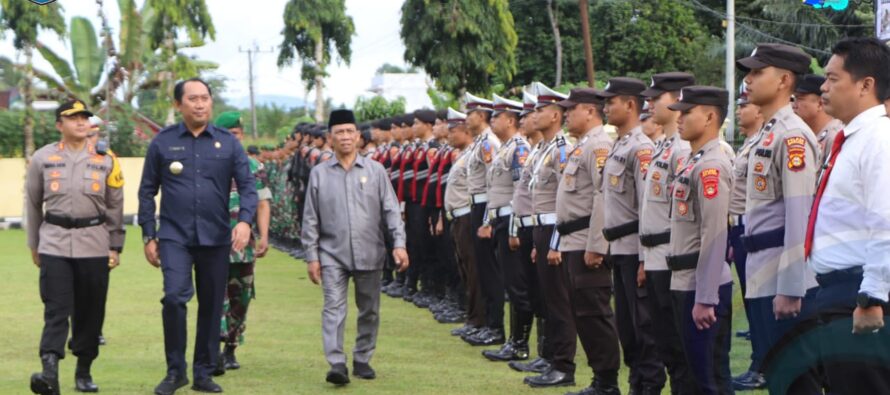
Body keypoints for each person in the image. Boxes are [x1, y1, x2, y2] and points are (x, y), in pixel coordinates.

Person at [138, 78, 258, 395]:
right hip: (174, 237)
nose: (201, 104)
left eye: (205, 98)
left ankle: (203, 372)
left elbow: (248, 187)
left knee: (210, 306)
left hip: (217, 237)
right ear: (179, 105)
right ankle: (175, 371)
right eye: (193, 99)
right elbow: (147, 191)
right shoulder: (162, 142)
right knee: (175, 297)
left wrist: (245, 222)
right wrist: (149, 235)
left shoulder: (228, 143)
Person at [805, 36, 890, 395]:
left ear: (866, 85)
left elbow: (885, 221)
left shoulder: (878, 139)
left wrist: (871, 297)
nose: (823, 87)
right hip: (837, 291)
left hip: (858, 292)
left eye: (833, 78)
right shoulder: (850, 137)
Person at [301, 109, 409, 385]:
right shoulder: (319, 174)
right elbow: (310, 218)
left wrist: (399, 244)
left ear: (358, 136)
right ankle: (337, 363)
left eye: (350, 131)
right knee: (333, 308)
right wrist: (312, 256)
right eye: (339, 132)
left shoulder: (375, 171)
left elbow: (391, 210)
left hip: (370, 252)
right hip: (331, 253)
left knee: (369, 309)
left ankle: (362, 357)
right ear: (330, 138)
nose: (345, 137)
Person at [736, 43, 821, 392]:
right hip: (761, 266)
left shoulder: (792, 136)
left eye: (758, 72)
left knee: (795, 379)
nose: (748, 80)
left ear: (784, 80)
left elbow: (799, 214)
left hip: (780, 274)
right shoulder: (767, 133)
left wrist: (791, 285)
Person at [26, 100, 125, 395]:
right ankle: (49, 372)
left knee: (90, 312)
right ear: (60, 125)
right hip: (54, 241)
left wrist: (115, 246)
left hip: (94, 243)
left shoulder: (105, 159)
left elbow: (115, 205)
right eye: (73, 118)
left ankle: (84, 371)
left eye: (84, 118)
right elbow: (32, 204)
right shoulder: (43, 158)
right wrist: (34, 244)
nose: (81, 122)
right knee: (55, 309)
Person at [667, 86, 735, 394]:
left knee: (707, 379)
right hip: (686, 279)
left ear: (709, 116)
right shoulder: (694, 160)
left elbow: (714, 232)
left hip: (700, 283)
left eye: (686, 112)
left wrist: (706, 296)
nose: (678, 119)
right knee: (698, 374)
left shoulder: (710, 166)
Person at [600, 77, 664, 395]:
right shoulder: (620, 144)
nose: (606, 107)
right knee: (627, 328)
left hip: (634, 250)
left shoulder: (640, 148)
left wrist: (643, 258)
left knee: (644, 329)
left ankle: (649, 386)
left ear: (630, 105)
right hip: (619, 249)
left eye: (612, 101)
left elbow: (647, 208)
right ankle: (637, 384)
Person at [555, 88, 621, 395]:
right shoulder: (582, 146)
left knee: (594, 313)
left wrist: (597, 244)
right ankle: (599, 379)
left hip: (586, 242)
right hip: (572, 240)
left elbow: (602, 196)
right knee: (582, 313)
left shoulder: (599, 145)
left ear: (590, 112)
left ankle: (607, 382)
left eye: (572, 109)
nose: (566, 114)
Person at [637, 72, 697, 395]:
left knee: (677, 344)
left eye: (655, 97)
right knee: (665, 343)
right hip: (655, 255)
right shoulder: (662, 146)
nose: (648, 103)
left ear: (675, 99)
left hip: (672, 256)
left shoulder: (682, 150)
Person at [210, 112, 272, 375]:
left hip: (244, 246)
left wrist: (265, 236)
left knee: (241, 298)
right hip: (213, 243)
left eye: (235, 134)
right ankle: (214, 347)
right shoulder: (209, 164)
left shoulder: (254, 167)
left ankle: (231, 348)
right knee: (216, 297)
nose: (231, 139)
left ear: (241, 135)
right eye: (227, 135)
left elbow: (262, 203)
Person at [523, 82, 574, 388]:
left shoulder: (562, 150)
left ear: (556, 115)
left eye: (541, 110)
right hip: (540, 229)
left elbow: (564, 200)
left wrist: (555, 241)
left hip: (555, 230)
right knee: (548, 299)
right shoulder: (544, 150)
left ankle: (564, 366)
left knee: (559, 302)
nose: (535, 114)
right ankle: (553, 359)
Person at [477, 94, 531, 350]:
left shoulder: (519, 147)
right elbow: (495, 191)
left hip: (511, 221)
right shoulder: (505, 148)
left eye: (497, 116)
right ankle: (512, 339)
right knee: (509, 281)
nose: (493, 120)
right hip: (499, 221)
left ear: (511, 120)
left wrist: (513, 229)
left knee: (517, 286)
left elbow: (520, 191)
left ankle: (519, 343)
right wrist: (488, 220)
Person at [728, 92, 768, 392]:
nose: (740, 111)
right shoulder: (750, 144)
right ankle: (760, 361)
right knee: (753, 301)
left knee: (759, 302)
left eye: (745, 106)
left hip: (753, 228)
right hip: (738, 229)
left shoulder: (764, 142)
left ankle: (763, 365)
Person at [463, 93, 505, 346]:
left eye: (470, 114)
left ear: (481, 116)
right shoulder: (480, 142)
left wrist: (487, 220)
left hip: (484, 207)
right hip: (476, 205)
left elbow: (493, 183)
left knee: (490, 271)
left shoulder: (489, 143)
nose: (466, 119)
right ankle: (487, 323)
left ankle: (495, 326)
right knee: (481, 269)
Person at [444, 108, 488, 339]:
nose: (449, 136)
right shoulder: (465, 154)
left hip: (468, 215)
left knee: (474, 272)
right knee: (465, 270)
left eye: (454, 131)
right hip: (458, 217)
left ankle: (478, 319)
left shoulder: (478, 150)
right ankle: (472, 317)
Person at [792, 74, 843, 163]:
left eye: (799, 99)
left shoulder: (834, 136)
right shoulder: (805, 133)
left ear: (820, 104)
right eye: (793, 99)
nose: (794, 105)